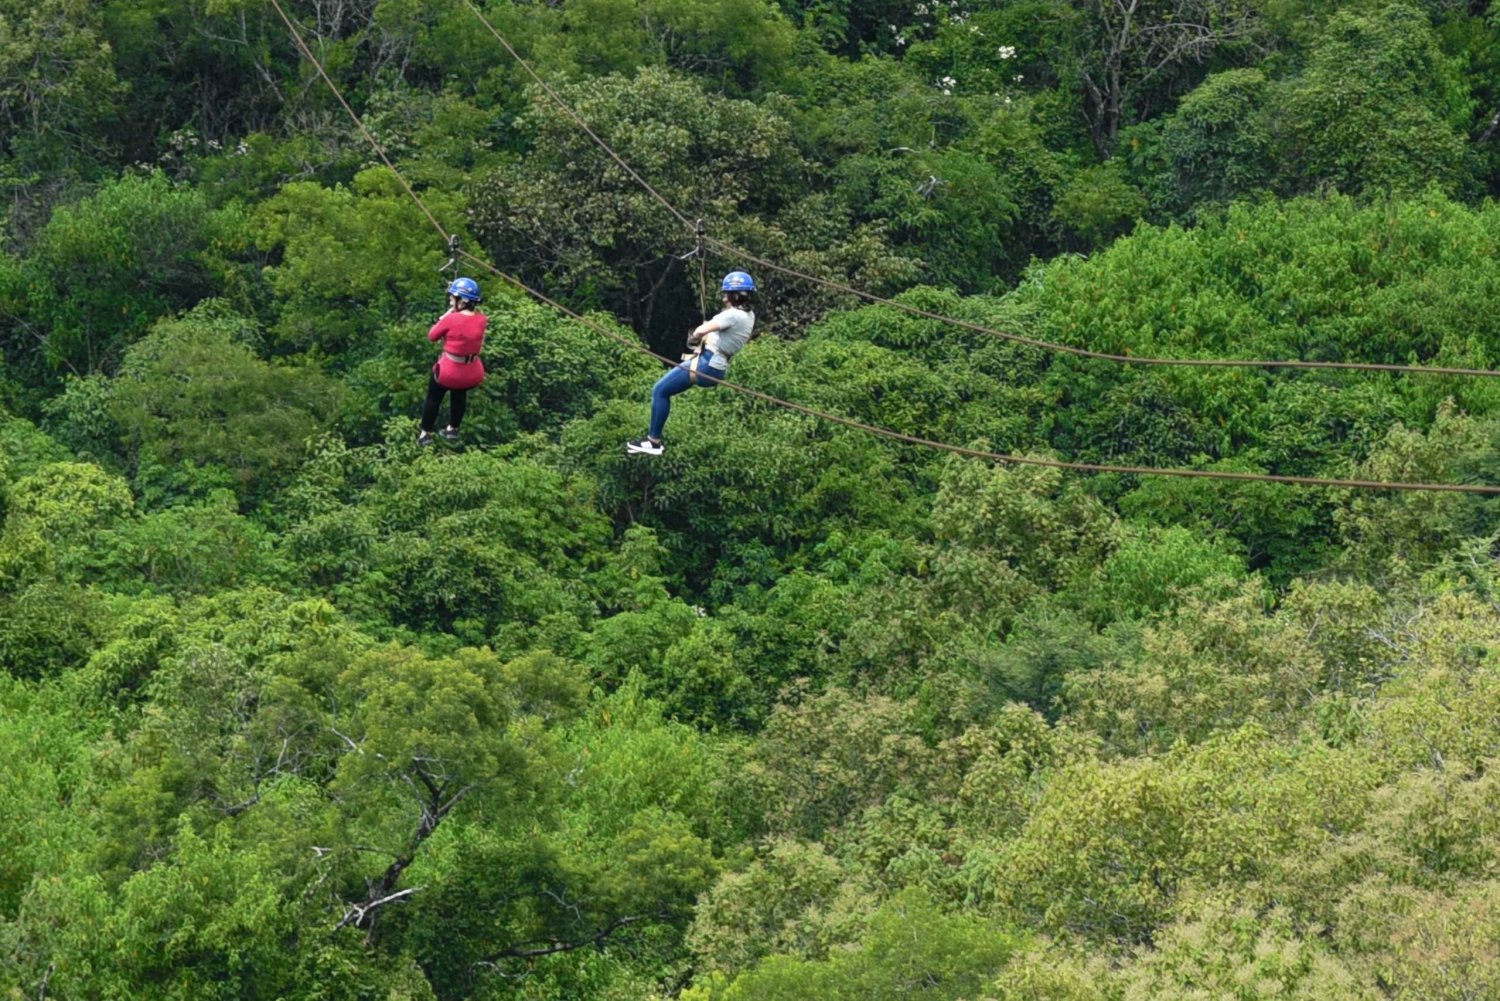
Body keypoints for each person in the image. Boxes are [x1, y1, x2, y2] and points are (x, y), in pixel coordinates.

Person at [627, 271, 756, 456]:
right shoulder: (749, 316)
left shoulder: (733, 315)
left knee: (659, 390)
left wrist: (696, 336)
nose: (724, 298)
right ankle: (652, 442)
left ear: (734, 295)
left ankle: (653, 441)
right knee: (662, 390)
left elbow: (700, 331)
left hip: (707, 364)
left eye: (726, 294)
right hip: (716, 367)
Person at [419, 277, 487, 446]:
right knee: (459, 393)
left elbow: (432, 336)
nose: (450, 302)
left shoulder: (451, 319)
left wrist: (445, 317)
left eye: (452, 298)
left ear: (462, 301)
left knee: (434, 397)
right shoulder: (482, 319)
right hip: (472, 372)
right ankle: (453, 428)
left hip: (450, 371)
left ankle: (425, 433)